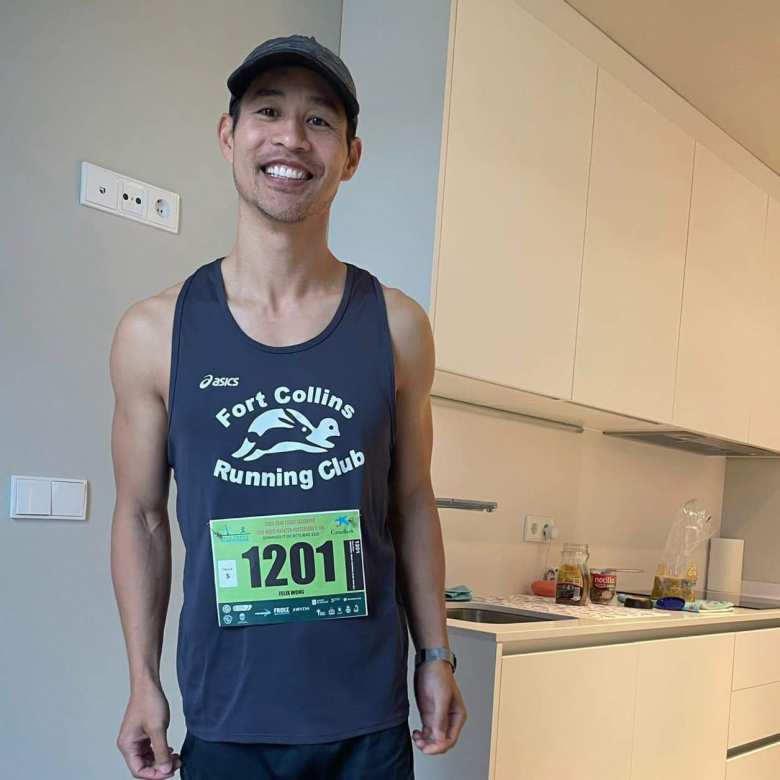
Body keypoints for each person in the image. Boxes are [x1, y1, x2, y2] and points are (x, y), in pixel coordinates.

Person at [110, 34, 467, 779]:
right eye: (268, 110)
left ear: (351, 154)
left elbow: (412, 501)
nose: (290, 138)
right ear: (229, 135)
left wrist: (435, 654)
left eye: (320, 120)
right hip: (228, 717)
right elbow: (141, 516)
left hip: (364, 721)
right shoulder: (153, 333)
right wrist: (142, 679)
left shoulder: (398, 327)